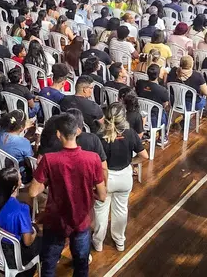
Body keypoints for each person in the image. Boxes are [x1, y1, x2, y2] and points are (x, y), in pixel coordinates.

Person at [29, 112, 106, 277]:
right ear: (78, 131)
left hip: (56, 220)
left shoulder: (50, 160)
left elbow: (33, 191)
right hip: (82, 220)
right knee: (81, 265)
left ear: (58, 134)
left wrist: (50, 180)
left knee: (49, 264)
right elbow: (102, 195)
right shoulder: (92, 159)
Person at [92, 102, 148, 252]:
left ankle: (98, 243)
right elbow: (144, 156)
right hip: (124, 177)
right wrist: (132, 162)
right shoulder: (130, 133)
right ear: (124, 117)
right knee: (121, 210)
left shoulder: (99, 136)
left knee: (100, 211)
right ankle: (119, 241)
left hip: (105, 178)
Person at [0, 167, 40, 277]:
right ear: (14, 187)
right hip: (14, 257)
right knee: (41, 240)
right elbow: (27, 241)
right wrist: (35, 233)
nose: (21, 181)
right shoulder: (21, 210)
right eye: (20, 179)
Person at [0, 110, 35, 183]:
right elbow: (30, 164)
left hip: (2, 169)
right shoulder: (24, 143)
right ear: (21, 128)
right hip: (18, 176)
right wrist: (37, 142)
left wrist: (23, 127)